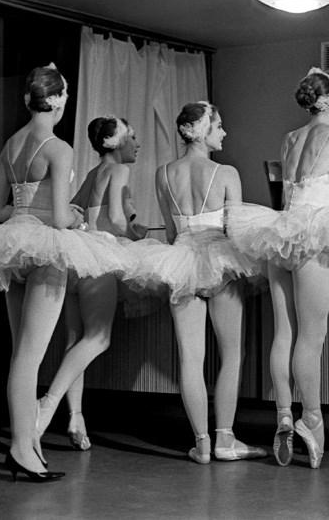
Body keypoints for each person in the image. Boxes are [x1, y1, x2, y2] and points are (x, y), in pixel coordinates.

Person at [0, 64, 131, 481]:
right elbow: (60, 218)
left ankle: (27, 444)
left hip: (14, 245)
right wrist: (76, 218)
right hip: (45, 249)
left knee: (20, 353)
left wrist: (26, 211)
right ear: (58, 100)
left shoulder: (12, 143)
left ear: (29, 100)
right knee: (31, 356)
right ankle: (23, 448)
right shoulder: (58, 148)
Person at [226, 68, 329, 468]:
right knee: (311, 338)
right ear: (328, 100)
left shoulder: (290, 138)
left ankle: (282, 413)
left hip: (280, 231)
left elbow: (287, 194)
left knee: (283, 332)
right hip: (314, 230)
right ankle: (311, 420)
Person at [128, 101, 266, 464]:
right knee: (232, 354)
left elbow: (173, 231)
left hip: (181, 259)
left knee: (190, 358)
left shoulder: (163, 173)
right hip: (220, 259)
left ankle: (201, 443)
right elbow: (236, 231)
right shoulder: (226, 172)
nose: (224, 133)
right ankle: (225, 439)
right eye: (219, 126)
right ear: (203, 130)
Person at [36, 116, 147, 451]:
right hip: (99, 260)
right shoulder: (119, 171)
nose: (137, 142)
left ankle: (76, 415)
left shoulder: (91, 174)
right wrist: (135, 234)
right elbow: (114, 218)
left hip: (75, 261)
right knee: (98, 339)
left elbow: (75, 210)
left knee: (75, 341)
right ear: (114, 142)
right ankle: (48, 403)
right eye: (132, 136)